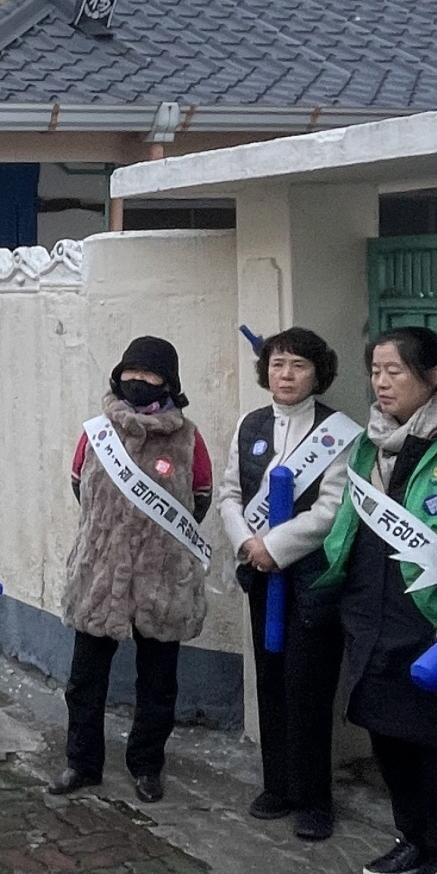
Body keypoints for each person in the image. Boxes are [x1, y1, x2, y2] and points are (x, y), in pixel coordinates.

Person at [313, 326, 437, 874]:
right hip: (372, 614)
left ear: (433, 376)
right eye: (375, 371)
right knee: (388, 734)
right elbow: (351, 523)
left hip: (434, 620)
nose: (381, 382)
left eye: (394, 371)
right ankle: (414, 838)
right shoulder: (372, 444)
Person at [52, 337, 213, 804]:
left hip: (164, 578)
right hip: (100, 574)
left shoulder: (187, 437)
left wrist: (155, 545)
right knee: (85, 679)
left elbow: (198, 496)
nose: (138, 382)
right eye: (132, 373)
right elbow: (79, 484)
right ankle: (81, 764)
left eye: (150, 375)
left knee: (159, 682)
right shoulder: (97, 431)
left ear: (169, 382)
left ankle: (147, 766)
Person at [216, 327, 351, 840]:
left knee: (308, 687)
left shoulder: (339, 432)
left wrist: (275, 547)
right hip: (259, 575)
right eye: (277, 365)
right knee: (270, 679)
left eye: (297, 365)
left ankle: (316, 799)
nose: (286, 375)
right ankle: (279, 786)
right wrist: (249, 544)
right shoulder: (250, 424)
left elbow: (332, 508)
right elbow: (230, 492)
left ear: (318, 371)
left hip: (313, 580)